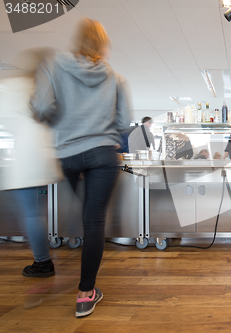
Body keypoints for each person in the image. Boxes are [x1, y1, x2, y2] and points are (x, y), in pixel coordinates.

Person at [30, 18, 132, 318]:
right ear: (103, 45)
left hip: (69, 156)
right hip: (102, 154)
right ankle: (85, 294)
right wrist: (105, 132)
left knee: (87, 212)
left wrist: (63, 122)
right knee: (95, 220)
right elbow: (125, 124)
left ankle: (77, 253)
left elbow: (40, 107)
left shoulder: (52, 64)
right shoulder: (116, 78)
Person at [0, 48, 63, 278]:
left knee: (31, 214)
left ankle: (43, 262)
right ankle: (43, 257)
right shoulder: (47, 91)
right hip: (44, 162)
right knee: (37, 213)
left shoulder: (14, 86)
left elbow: (8, 122)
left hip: (26, 163)